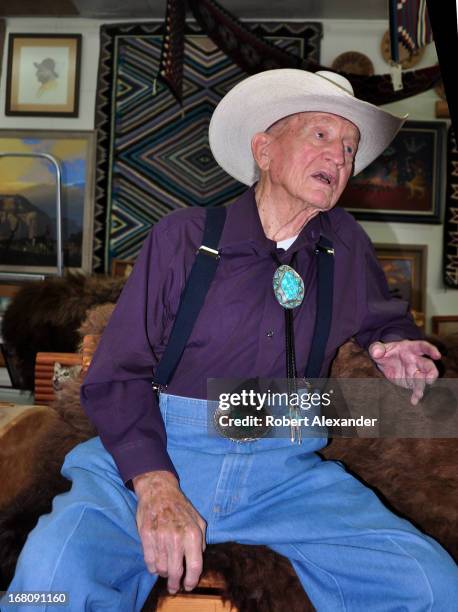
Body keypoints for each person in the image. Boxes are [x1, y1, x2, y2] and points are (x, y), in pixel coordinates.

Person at [6, 70, 458, 611]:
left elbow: (381, 316)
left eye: (350, 146)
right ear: (264, 149)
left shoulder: (346, 244)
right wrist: (154, 485)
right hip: (163, 447)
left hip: (283, 467)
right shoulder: (187, 236)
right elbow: (117, 372)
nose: (339, 156)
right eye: (321, 135)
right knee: (48, 580)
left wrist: (396, 340)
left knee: (432, 585)